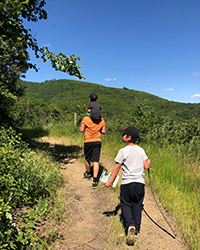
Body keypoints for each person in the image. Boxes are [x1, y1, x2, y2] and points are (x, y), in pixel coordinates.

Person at [105, 126, 151, 245]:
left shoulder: (123, 151)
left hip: (127, 184)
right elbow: (146, 166)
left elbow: (117, 168)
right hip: (139, 183)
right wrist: (149, 161)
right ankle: (136, 230)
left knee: (125, 203)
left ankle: (130, 224)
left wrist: (110, 181)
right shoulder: (141, 150)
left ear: (128, 137)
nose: (122, 136)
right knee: (137, 205)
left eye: (124, 134)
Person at [79, 114, 106, 189]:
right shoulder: (101, 119)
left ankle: (88, 173)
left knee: (87, 158)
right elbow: (103, 131)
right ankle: (94, 181)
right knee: (96, 161)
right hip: (97, 141)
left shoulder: (86, 119)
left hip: (88, 141)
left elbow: (81, 130)